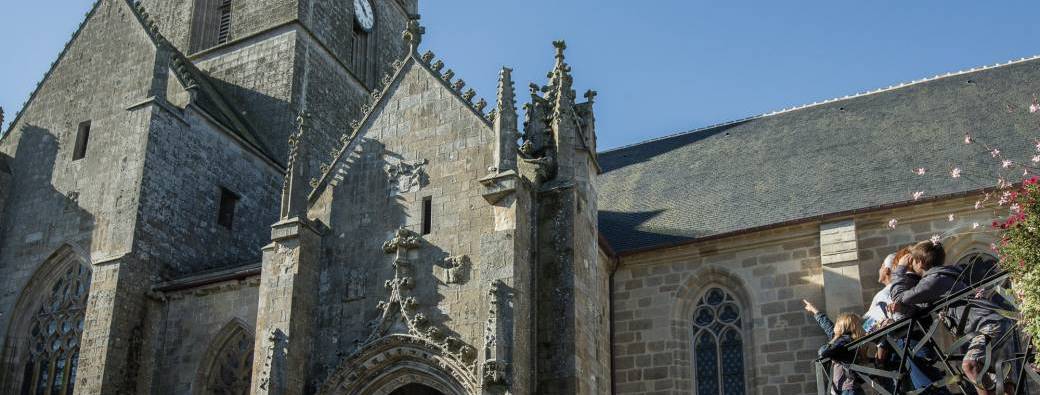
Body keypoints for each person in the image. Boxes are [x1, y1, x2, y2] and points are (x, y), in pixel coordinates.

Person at [889, 240, 1015, 395]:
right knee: (1001, 380)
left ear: (919, 262)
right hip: (995, 322)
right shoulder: (942, 277)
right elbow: (918, 306)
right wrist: (903, 306)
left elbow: (898, 296)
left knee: (970, 365)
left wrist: (900, 268)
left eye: (912, 262)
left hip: (989, 324)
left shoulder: (933, 280)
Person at [803, 300, 866, 395]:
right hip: (847, 389)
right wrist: (814, 310)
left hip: (848, 390)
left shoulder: (844, 340)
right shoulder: (843, 339)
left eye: (837, 323)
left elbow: (824, 352)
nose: (835, 325)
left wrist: (825, 347)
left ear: (841, 327)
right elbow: (827, 326)